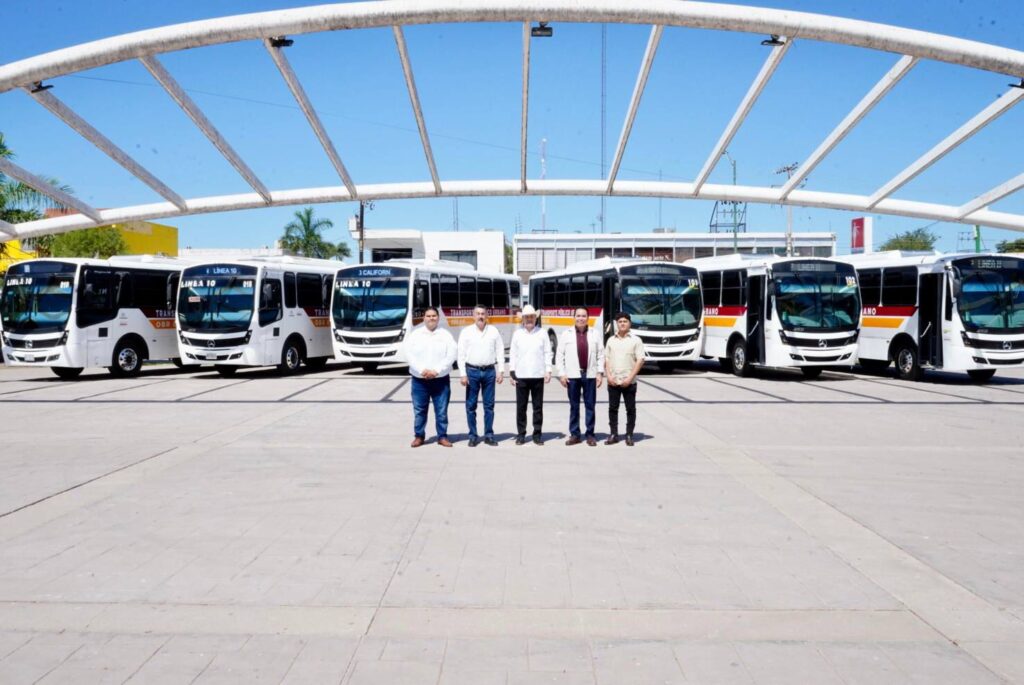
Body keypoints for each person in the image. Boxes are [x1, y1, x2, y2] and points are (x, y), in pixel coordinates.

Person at [404, 306, 457, 448]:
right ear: (424, 318)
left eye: (434, 316)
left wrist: (437, 371)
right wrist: (422, 370)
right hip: (419, 381)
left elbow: (451, 354)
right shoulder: (415, 334)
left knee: (441, 411)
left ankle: (442, 436)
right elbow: (409, 354)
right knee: (419, 410)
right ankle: (419, 436)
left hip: (441, 380)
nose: (431, 318)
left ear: (438, 318)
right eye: (428, 316)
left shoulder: (445, 335)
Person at [556, 306, 605, 446]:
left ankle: (590, 435)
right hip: (572, 376)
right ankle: (575, 434)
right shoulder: (566, 334)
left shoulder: (595, 334)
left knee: (590, 406)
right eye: (578, 316)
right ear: (574, 317)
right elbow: (559, 355)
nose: (581, 318)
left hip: (590, 375)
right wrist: (562, 374)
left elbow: (601, 355)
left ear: (588, 318)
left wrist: (599, 373)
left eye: (583, 316)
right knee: (574, 406)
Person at [457, 305, 505, 447]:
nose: (480, 316)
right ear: (473, 316)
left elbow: (500, 351)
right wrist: (463, 374)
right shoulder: (466, 332)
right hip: (472, 372)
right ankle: (473, 436)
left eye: (483, 313)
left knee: (489, 406)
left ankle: (489, 435)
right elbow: (461, 354)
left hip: (489, 372)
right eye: (478, 313)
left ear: (487, 315)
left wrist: (501, 371)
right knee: (471, 406)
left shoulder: (494, 331)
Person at [509, 304, 551, 445]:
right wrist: (512, 372)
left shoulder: (542, 333)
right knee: (521, 408)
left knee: (537, 408)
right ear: (522, 319)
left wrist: (548, 370)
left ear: (535, 318)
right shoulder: (517, 334)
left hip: (538, 375)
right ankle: (521, 434)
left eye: (531, 317)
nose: (529, 319)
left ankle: (537, 434)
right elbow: (513, 354)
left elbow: (547, 352)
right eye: (526, 317)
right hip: (521, 376)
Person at [604, 311, 646, 446]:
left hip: (629, 382)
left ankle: (629, 435)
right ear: (617, 324)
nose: (622, 324)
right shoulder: (611, 340)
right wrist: (608, 376)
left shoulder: (636, 340)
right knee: (612, 409)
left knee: (630, 409)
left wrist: (630, 378)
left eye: (625, 321)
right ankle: (613, 434)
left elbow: (640, 360)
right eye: (620, 322)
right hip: (613, 381)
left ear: (630, 323)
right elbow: (606, 359)